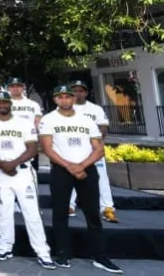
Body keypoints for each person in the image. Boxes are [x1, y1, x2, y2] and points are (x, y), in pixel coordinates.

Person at [39, 84, 122, 273]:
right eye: (60, 97)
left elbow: (99, 148)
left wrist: (81, 166)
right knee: (60, 213)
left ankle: (100, 256)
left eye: (68, 96)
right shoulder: (48, 119)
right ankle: (62, 253)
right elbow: (47, 148)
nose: (64, 100)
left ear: (73, 98)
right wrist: (70, 166)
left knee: (92, 213)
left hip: (86, 170)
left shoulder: (87, 120)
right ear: (55, 99)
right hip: (61, 170)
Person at [0, 90, 54, 268]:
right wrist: (0, 163)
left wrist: (13, 163)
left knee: (32, 214)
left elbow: (32, 149)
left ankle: (43, 252)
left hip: (22, 173)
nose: (2, 105)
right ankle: (4, 247)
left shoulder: (23, 123)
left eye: (5, 102)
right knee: (3, 213)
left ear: (10, 103)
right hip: (1, 173)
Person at [70, 80, 116, 223]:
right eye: (75, 90)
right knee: (70, 176)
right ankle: (69, 206)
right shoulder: (65, 109)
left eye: (81, 90)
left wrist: (93, 145)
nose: (78, 93)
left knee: (101, 178)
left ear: (86, 92)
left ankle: (107, 209)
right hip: (72, 150)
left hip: (93, 150)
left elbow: (102, 130)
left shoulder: (96, 109)